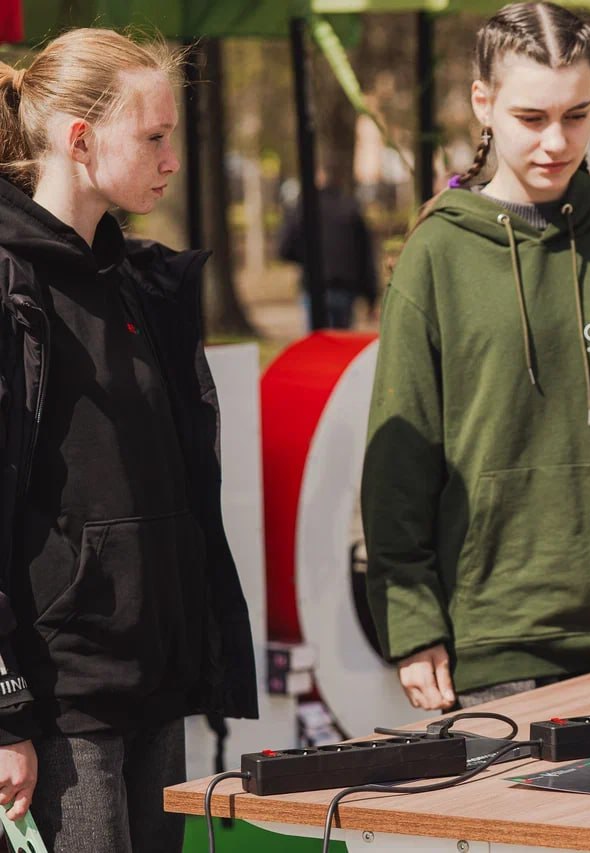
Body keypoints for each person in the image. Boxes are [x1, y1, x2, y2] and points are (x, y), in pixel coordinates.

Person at [362, 2, 590, 712]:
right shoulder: (436, 252)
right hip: (491, 645)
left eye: (577, 115)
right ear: (484, 103)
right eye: (531, 118)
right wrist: (411, 621)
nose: (557, 141)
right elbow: (398, 465)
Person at [0, 30, 258, 851]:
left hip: (155, 685)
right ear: (80, 141)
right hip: (60, 706)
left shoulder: (144, 282)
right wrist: (4, 714)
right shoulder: (11, 286)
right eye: (153, 137)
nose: (171, 159)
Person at [278, 160, 380, 330]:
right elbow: (365, 255)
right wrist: (371, 296)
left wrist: (306, 259)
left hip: (313, 285)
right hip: (345, 287)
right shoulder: (350, 208)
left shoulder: (302, 208)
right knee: (340, 338)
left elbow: (285, 248)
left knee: (316, 339)